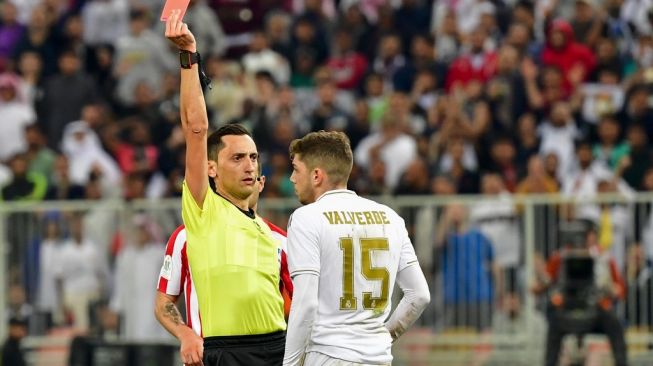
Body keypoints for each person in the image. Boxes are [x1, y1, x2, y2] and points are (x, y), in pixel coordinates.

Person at [162, 11, 287, 366]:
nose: (249, 165)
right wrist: (189, 58)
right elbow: (196, 129)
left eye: (253, 157)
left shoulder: (272, 234)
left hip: (279, 346)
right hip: (226, 352)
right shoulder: (204, 212)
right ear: (212, 169)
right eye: (237, 158)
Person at [283, 131, 431, 365]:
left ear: (316, 175)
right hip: (379, 358)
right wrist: (383, 337)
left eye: (296, 169)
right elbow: (419, 296)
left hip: (329, 356)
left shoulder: (306, 218)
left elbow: (306, 303)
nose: (292, 178)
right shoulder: (390, 217)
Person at [155, 171, 294, 339]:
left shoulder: (281, 241)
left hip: (265, 353)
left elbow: (304, 302)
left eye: (251, 179)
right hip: (208, 355)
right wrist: (185, 334)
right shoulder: (186, 236)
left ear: (261, 183)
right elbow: (163, 302)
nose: (244, 185)